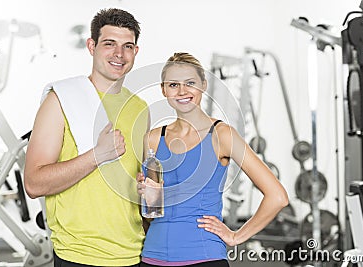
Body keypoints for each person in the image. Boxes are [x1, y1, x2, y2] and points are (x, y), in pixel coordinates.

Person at [136, 52, 289, 267]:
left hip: (204, 256)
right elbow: (151, 214)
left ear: (203, 85)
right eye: (173, 85)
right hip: (153, 257)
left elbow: (278, 196)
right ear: (164, 89)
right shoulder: (153, 139)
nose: (182, 91)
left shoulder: (222, 135)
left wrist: (236, 237)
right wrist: (148, 195)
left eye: (190, 83)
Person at [24, 8, 150, 267]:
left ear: (135, 52)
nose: (119, 54)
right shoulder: (60, 99)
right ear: (91, 46)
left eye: (127, 46)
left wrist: (152, 191)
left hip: (133, 253)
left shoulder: (140, 108)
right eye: (109, 44)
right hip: (78, 254)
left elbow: (140, 186)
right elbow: (34, 184)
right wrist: (97, 155)